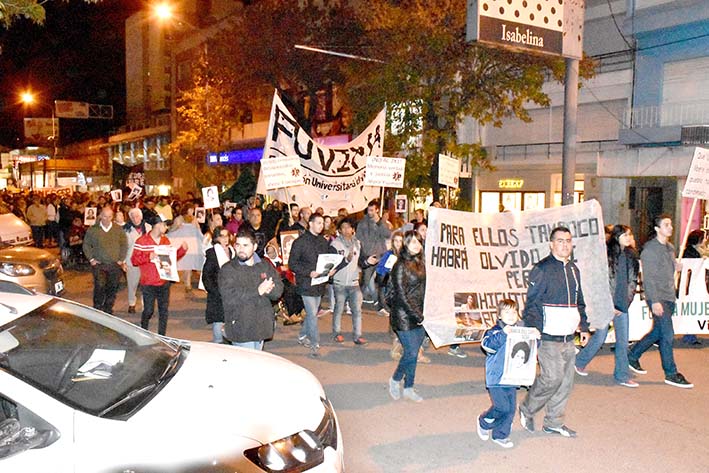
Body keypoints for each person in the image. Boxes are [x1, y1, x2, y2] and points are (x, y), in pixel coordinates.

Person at [518, 226, 590, 438]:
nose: (565, 244)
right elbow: (532, 304)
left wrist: (583, 326)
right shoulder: (542, 269)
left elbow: (579, 301)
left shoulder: (574, 270)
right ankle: (527, 408)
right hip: (548, 337)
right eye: (560, 241)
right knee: (553, 378)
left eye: (568, 241)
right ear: (551, 244)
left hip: (568, 336)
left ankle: (554, 422)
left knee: (566, 382)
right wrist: (534, 330)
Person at [628, 214, 693, 388]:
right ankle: (671, 373)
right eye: (666, 225)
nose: (670, 228)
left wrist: (676, 267)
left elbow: (668, 271)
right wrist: (655, 301)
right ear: (657, 229)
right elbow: (649, 278)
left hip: (669, 296)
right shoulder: (650, 249)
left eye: (670, 224)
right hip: (657, 297)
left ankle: (632, 355)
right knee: (667, 335)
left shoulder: (670, 248)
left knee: (658, 332)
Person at [574, 225, 639, 387]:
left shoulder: (631, 255)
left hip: (622, 304)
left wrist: (625, 302)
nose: (629, 237)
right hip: (605, 304)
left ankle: (621, 375)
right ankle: (579, 361)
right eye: (626, 234)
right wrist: (610, 304)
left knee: (623, 341)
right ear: (617, 236)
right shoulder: (605, 255)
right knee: (600, 336)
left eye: (630, 234)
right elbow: (601, 282)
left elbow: (632, 282)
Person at [478, 299, 539, 449]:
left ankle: (500, 435)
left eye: (514, 311)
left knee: (510, 409)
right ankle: (484, 421)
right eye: (506, 312)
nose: (511, 315)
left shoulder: (521, 330)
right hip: (496, 378)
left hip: (512, 377)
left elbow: (530, 350)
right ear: (499, 315)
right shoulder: (495, 331)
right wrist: (504, 334)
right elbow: (487, 346)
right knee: (502, 407)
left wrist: (537, 338)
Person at [219, 227, 283, 350]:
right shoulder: (228, 269)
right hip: (241, 327)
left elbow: (278, 290)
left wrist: (270, 291)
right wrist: (258, 291)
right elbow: (230, 297)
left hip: (261, 326)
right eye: (238, 245)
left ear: (254, 247)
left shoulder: (264, 265)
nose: (241, 249)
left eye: (245, 245)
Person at [288, 213, 343, 357]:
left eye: (322, 223)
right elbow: (292, 264)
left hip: (320, 283)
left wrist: (330, 270)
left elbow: (327, 259)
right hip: (306, 283)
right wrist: (308, 272)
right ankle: (315, 343)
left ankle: (302, 335)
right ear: (310, 223)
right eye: (318, 222)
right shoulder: (299, 242)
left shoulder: (323, 241)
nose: (321, 225)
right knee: (312, 313)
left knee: (311, 314)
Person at [388, 230, 427, 403]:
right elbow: (401, 295)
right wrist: (417, 314)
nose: (417, 245)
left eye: (419, 242)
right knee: (410, 353)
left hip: (419, 314)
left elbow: (423, 290)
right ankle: (395, 380)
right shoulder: (400, 265)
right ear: (405, 244)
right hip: (403, 315)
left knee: (413, 354)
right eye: (413, 242)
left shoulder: (420, 263)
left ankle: (409, 387)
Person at [131, 217, 188, 335]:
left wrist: (182, 250)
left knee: (164, 311)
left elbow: (170, 259)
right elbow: (134, 260)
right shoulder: (141, 241)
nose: (166, 228)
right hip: (148, 283)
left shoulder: (165, 241)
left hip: (164, 282)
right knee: (148, 310)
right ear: (157, 225)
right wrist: (148, 257)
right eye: (164, 225)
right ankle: (143, 329)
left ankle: (162, 335)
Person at [330, 218, 376, 345]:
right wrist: (345, 259)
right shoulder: (335, 245)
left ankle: (357, 335)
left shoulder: (357, 244)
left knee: (357, 310)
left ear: (353, 229)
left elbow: (361, 261)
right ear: (339, 230)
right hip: (339, 283)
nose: (346, 230)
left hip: (354, 283)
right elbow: (331, 264)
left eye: (349, 227)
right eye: (343, 227)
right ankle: (337, 333)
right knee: (339, 309)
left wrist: (368, 261)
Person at [82, 206, 128, 314]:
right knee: (100, 286)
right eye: (104, 216)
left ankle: (108, 308)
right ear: (100, 216)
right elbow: (86, 245)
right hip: (99, 264)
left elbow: (124, 244)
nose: (107, 219)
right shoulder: (93, 229)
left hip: (114, 264)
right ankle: (97, 308)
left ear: (112, 217)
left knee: (112, 287)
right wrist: (91, 259)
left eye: (109, 217)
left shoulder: (118, 229)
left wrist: (121, 259)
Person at [202, 226, 235, 343]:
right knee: (219, 320)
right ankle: (218, 343)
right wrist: (214, 291)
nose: (225, 239)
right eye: (222, 236)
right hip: (218, 293)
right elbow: (206, 276)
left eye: (227, 235)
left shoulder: (233, 251)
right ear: (216, 238)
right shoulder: (212, 253)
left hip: (231, 292)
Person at [357, 199, 391, 304]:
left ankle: (382, 304)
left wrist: (379, 223)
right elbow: (359, 237)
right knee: (365, 281)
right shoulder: (363, 223)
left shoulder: (382, 222)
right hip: (369, 255)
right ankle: (356, 301)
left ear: (377, 210)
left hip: (381, 255)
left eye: (372, 210)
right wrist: (365, 252)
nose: (370, 212)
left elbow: (387, 234)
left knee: (382, 281)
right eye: (368, 210)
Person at [680, 229, 706, 345]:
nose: (705, 240)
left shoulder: (697, 251)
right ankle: (689, 335)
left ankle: (691, 334)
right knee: (690, 309)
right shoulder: (691, 253)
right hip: (690, 287)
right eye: (703, 238)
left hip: (694, 286)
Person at [124, 207, 151, 314]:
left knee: (146, 284)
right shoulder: (126, 229)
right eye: (133, 217)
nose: (136, 219)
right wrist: (123, 261)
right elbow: (124, 246)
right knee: (132, 284)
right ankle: (132, 303)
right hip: (131, 260)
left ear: (141, 216)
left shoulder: (148, 228)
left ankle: (145, 305)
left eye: (137, 216)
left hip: (146, 260)